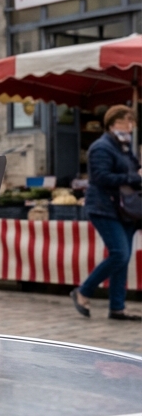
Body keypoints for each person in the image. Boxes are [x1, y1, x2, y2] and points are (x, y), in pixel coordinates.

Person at [73, 105, 142, 320]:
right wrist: (135, 178)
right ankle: (83, 290)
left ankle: (117, 307)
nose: (130, 127)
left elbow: (131, 171)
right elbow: (101, 177)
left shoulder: (124, 147)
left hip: (126, 209)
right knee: (119, 253)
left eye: (131, 122)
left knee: (123, 257)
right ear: (112, 123)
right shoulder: (101, 147)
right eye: (125, 122)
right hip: (104, 207)